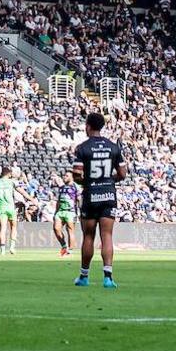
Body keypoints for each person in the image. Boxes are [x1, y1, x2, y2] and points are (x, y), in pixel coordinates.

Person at [71, 112, 124, 289]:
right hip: (109, 194)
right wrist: (108, 181)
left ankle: (84, 277)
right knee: (107, 235)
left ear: (88, 126)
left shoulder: (82, 148)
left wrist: (90, 182)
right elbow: (123, 174)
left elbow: (77, 175)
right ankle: (108, 278)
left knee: (88, 235)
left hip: (90, 195)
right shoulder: (113, 147)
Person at [0, 166, 26, 255]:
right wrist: (31, 199)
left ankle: (2, 250)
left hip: (1, 208)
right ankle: (12, 248)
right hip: (11, 208)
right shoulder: (12, 182)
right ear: (9, 174)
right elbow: (22, 192)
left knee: (3, 228)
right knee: (13, 227)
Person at [51, 173, 77, 257]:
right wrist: (56, 211)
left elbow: (79, 199)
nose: (64, 177)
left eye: (66, 176)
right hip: (60, 211)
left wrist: (80, 211)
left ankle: (70, 251)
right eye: (64, 176)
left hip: (70, 211)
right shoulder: (62, 188)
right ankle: (64, 246)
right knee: (56, 229)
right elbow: (59, 200)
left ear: (72, 177)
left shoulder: (75, 187)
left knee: (70, 231)